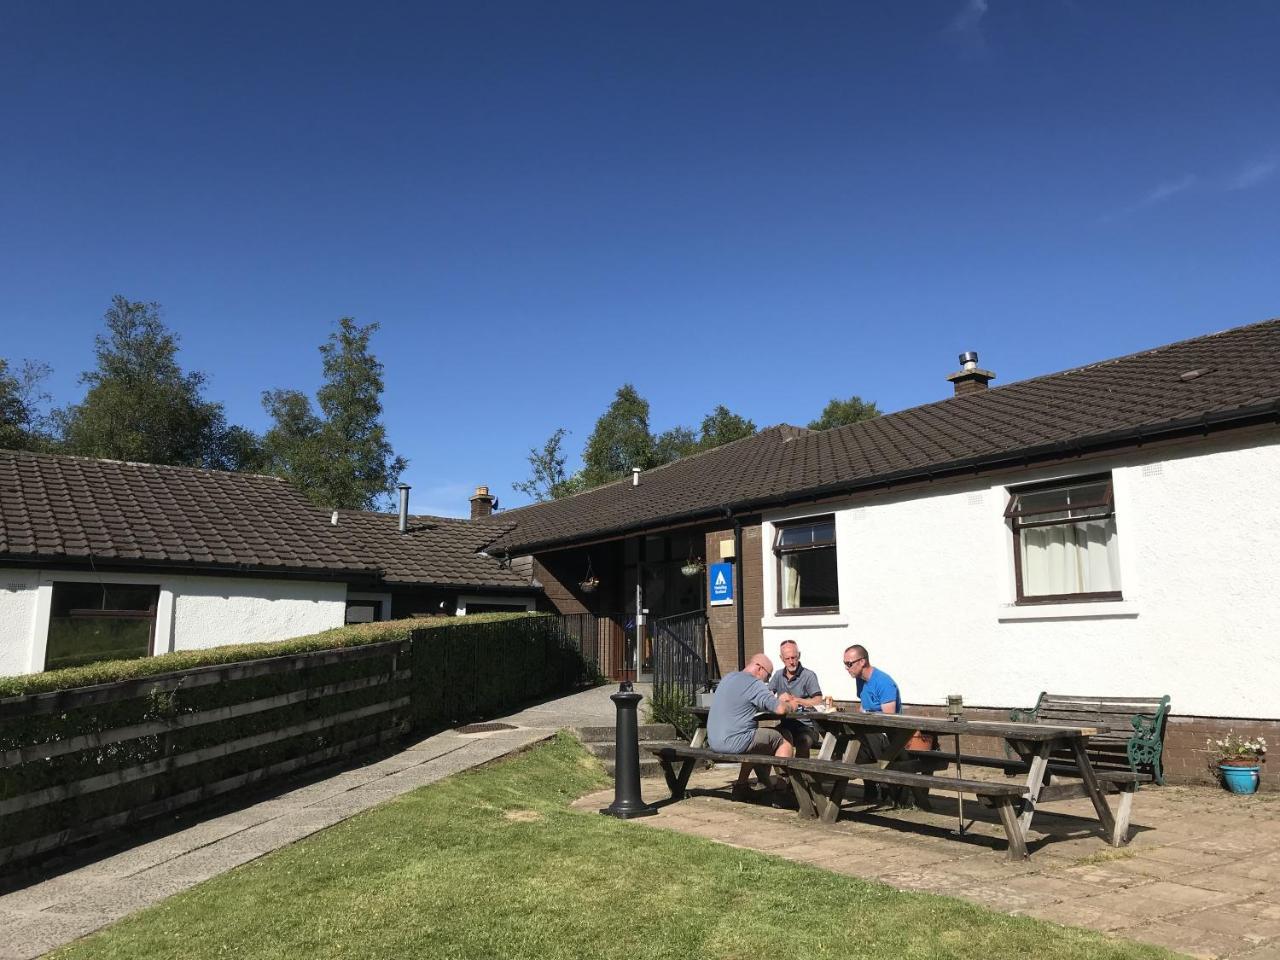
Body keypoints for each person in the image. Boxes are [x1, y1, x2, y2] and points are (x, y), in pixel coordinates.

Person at [707, 653, 798, 799]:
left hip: (713, 741)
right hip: (735, 742)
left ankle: (744, 785)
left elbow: (749, 702)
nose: (766, 681)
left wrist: (774, 700)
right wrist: (791, 705)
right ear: (760, 669)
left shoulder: (729, 678)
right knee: (784, 736)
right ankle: (784, 791)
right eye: (767, 677)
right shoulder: (754, 683)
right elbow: (780, 709)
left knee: (755, 737)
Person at [842, 644, 901, 800]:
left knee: (861, 738)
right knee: (844, 736)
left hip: (889, 735)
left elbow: (889, 720)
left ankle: (884, 785)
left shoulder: (884, 682)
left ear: (862, 662)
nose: (846, 668)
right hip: (870, 733)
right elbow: (864, 707)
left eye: (849, 663)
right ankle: (870, 783)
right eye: (845, 664)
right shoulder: (860, 680)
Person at [769, 640, 824, 757]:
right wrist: (778, 700)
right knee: (769, 739)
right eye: (787, 658)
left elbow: (818, 700)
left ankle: (802, 774)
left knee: (803, 741)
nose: (792, 662)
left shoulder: (808, 675)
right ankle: (784, 773)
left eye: (794, 657)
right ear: (781, 658)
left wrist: (797, 700)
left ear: (799, 655)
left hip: (807, 726)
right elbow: (767, 696)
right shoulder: (778, 675)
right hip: (786, 725)